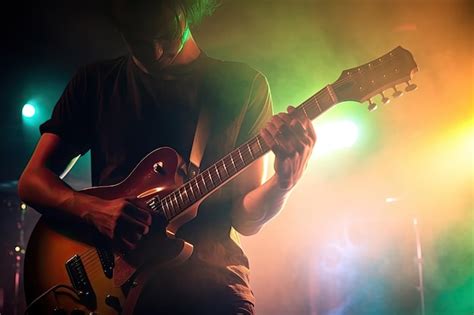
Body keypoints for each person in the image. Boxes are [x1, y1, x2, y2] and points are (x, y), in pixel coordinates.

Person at [18, 0, 316, 314]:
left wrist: (283, 183)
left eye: (164, 32)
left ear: (186, 8)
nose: (155, 50)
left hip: (212, 288)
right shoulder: (95, 83)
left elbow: (245, 220)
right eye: (138, 36)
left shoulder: (243, 86)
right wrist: (95, 210)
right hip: (115, 292)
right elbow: (32, 182)